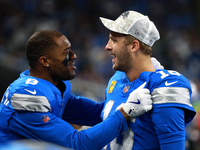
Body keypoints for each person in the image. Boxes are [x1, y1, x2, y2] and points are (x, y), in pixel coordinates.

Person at [0, 30, 153, 150]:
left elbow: (98, 113)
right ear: (45, 61)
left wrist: (133, 84)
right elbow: (77, 145)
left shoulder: (55, 85)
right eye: (66, 53)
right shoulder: (25, 95)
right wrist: (126, 112)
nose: (74, 56)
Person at [99, 10, 196, 150]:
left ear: (134, 46)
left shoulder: (165, 86)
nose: (107, 46)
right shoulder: (117, 78)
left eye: (114, 40)